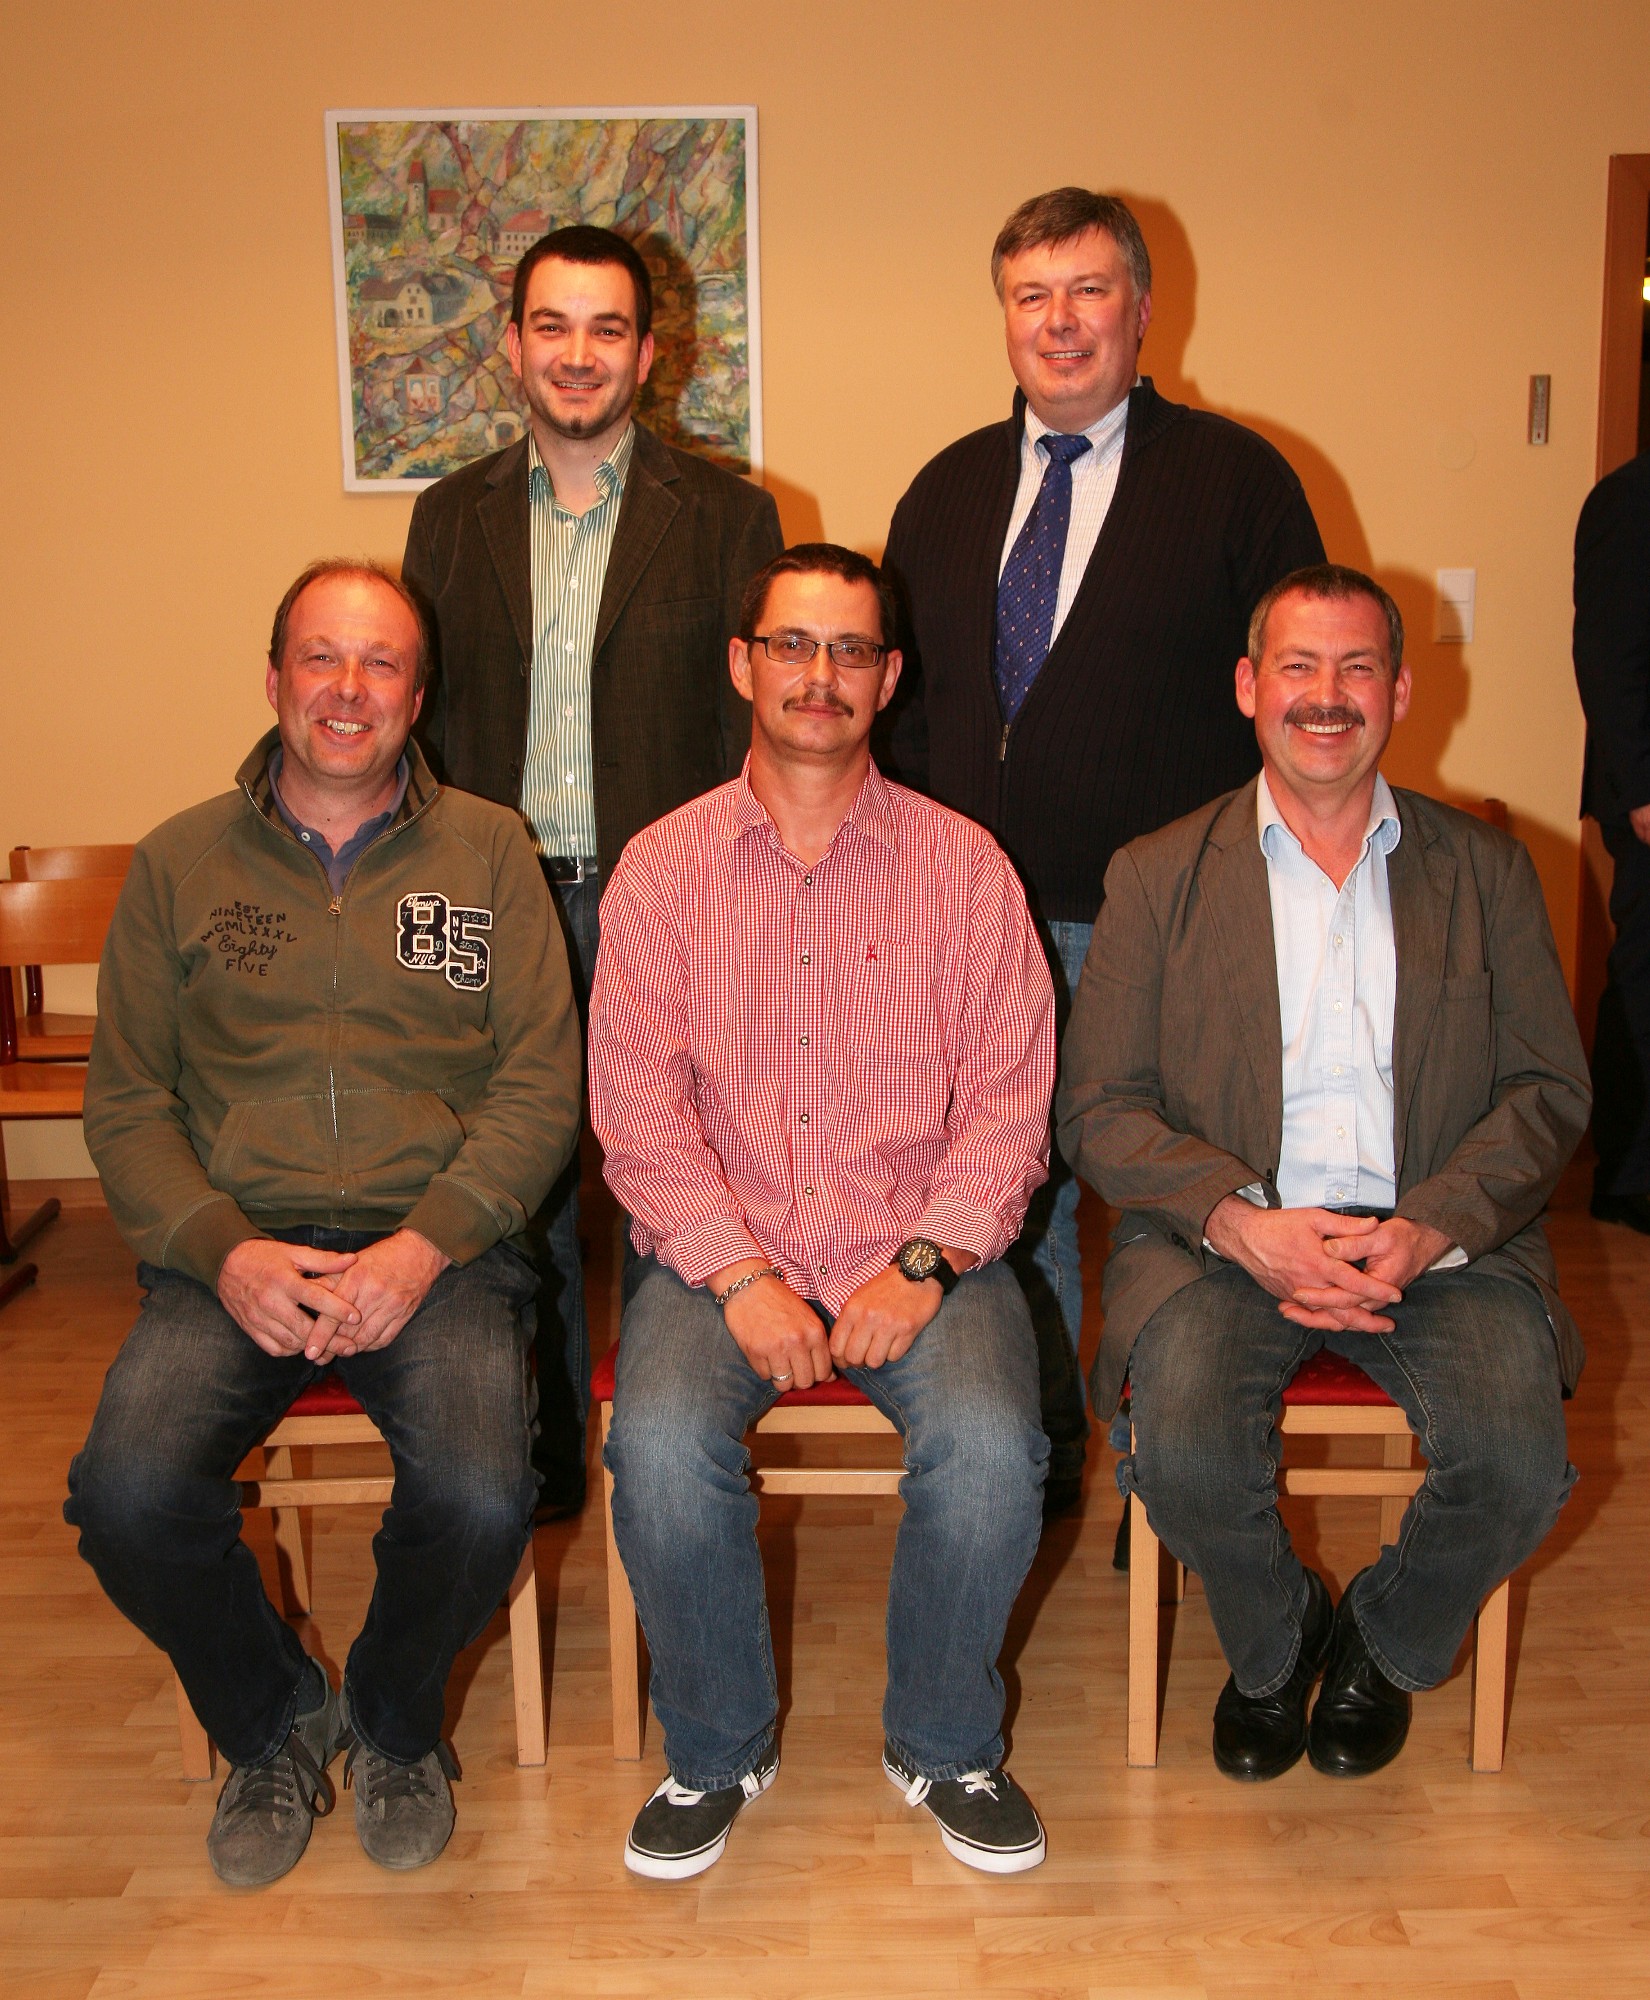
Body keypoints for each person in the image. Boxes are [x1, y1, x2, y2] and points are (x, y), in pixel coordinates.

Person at [66, 561, 581, 1885]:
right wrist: (219, 1246)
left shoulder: (491, 851)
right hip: (237, 1246)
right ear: (274, 677)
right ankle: (273, 1717)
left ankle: (395, 1721)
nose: (349, 690)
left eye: (381, 663)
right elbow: (126, 1102)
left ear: (419, 693)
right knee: (125, 1495)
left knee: (484, 1493)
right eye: (321, 657)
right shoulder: (179, 861)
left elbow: (539, 1085)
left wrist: (428, 1241)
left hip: (439, 1247)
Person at [1058, 563, 1588, 1782]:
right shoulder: (1155, 873)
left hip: (1440, 1246)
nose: (1327, 694)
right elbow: (1098, 1104)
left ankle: (1382, 1644)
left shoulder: (1488, 869)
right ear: (1249, 686)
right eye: (1298, 665)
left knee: (1517, 1464)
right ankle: (1276, 1637)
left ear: (1400, 691)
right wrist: (1242, 1221)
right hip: (1221, 1243)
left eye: (1357, 666)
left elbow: (1546, 1089)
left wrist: (1430, 1224)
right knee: (1184, 1457)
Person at [590, 545, 1055, 1879]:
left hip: (919, 1250)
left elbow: (1010, 1102)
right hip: (716, 1257)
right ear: (743, 664)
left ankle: (944, 1741)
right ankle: (718, 1746)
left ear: (888, 678)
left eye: (850, 649)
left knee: (990, 1449)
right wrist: (739, 1277)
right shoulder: (661, 869)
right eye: (792, 644)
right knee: (659, 1449)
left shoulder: (965, 868)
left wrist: (924, 1263)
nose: (819, 674)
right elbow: (637, 1109)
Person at [881, 188, 1325, 1505]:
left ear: (1142, 308)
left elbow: (1295, 694)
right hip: (975, 932)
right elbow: (902, 716)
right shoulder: (946, 487)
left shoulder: (1238, 480)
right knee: (1008, 1214)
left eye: (1088, 290)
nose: (1060, 321)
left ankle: (1166, 1479)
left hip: (1165, 931)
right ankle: (1035, 1472)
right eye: (1032, 295)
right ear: (1003, 316)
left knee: (1169, 1214)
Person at [402, 224, 784, 1517]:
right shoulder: (446, 516)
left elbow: (748, 730)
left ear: (649, 353)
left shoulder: (730, 516)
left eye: (606, 329)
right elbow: (421, 722)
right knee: (522, 1190)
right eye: (552, 326)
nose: (578, 354)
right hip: (494, 901)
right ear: (511, 346)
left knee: (684, 1172)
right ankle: (544, 1468)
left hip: (661, 904)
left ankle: (676, 1460)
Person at [1573, 448, 1650, 1232]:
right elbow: (1606, 653)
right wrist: (1642, 789)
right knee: (1646, 979)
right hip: (1648, 795)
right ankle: (1627, 1175)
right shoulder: (1629, 501)